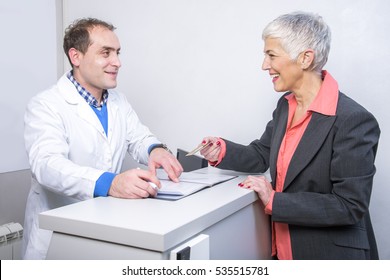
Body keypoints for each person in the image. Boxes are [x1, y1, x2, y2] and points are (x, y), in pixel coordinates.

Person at [199, 11, 380, 260]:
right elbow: (263, 153)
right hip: (281, 249)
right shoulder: (286, 105)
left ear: (305, 58)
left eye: (271, 55)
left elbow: (349, 206)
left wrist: (274, 199)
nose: (264, 65)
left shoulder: (353, 119)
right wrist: (222, 150)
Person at [22, 18, 183, 259]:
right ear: (76, 57)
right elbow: (47, 165)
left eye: (117, 53)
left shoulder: (118, 101)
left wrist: (155, 149)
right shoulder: (46, 105)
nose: (117, 62)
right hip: (57, 237)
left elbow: (138, 136)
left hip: (105, 229)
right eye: (105, 53)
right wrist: (110, 183)